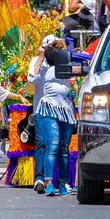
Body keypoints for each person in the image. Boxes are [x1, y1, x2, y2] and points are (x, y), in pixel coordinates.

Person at [30, 39, 77, 197]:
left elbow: (78, 70)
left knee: (64, 149)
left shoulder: (66, 69)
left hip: (65, 111)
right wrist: (40, 57)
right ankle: (49, 182)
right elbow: (32, 78)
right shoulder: (50, 70)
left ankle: (63, 183)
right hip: (48, 110)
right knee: (53, 145)